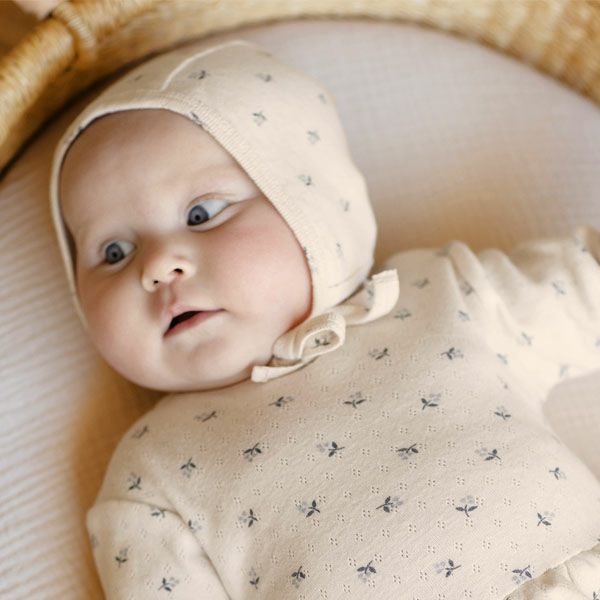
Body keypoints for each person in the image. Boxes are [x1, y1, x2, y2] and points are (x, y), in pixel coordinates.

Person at [49, 39, 600, 599]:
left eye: (202, 213)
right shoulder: (151, 471)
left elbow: (583, 289)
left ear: (312, 202)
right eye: (113, 252)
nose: (156, 267)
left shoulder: (436, 293)